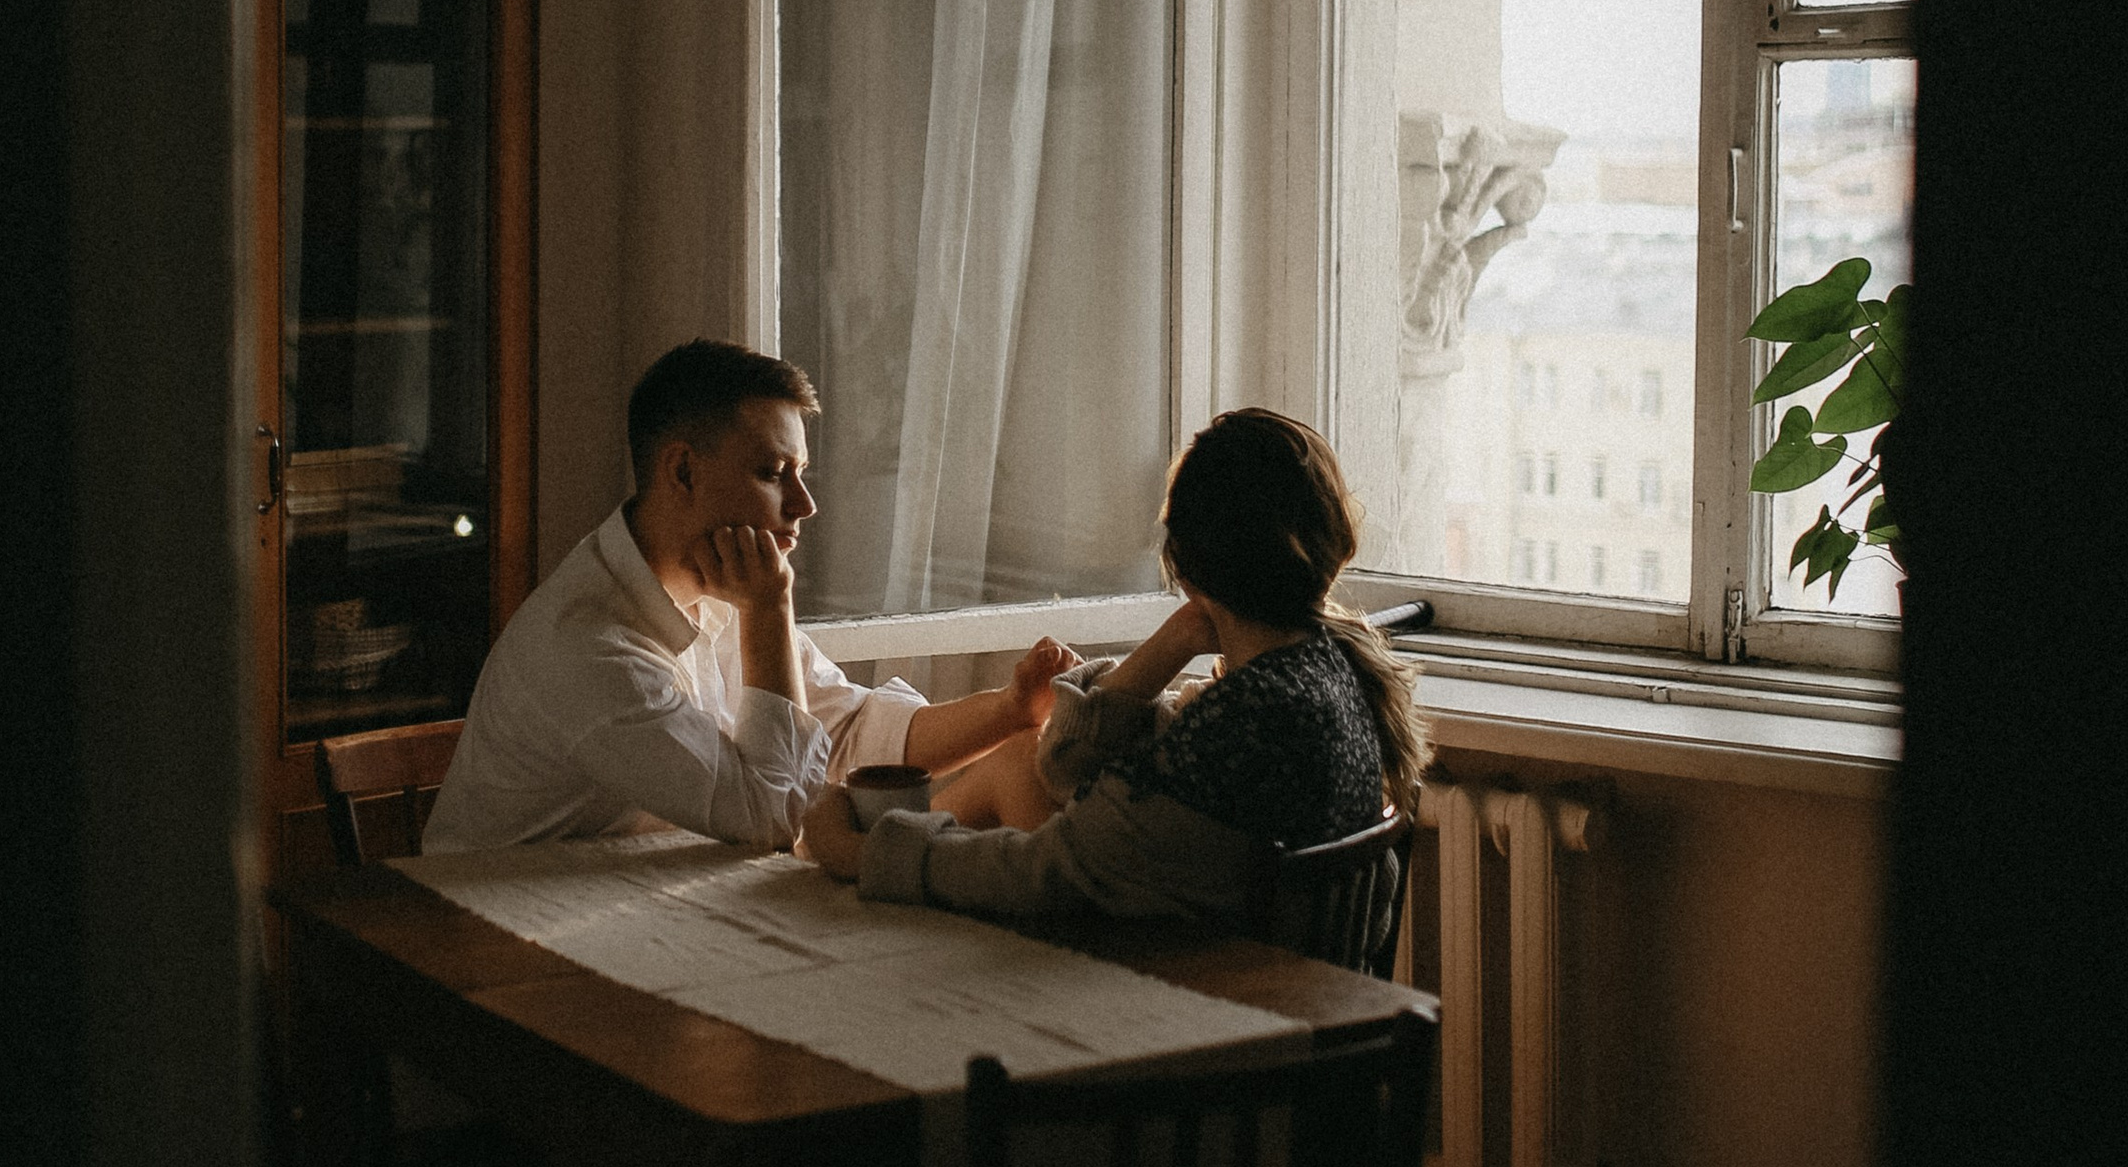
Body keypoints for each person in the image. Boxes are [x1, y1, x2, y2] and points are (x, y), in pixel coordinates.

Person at [424, 338, 1079, 854]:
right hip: (492, 938)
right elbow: (777, 815)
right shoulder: (590, 647)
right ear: (682, 470)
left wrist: (1013, 709)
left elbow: (845, 733)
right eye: (774, 474)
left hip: (633, 904)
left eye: (801, 475)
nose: (804, 505)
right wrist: (769, 611)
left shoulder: (716, 589)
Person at [799, 407, 1425, 925]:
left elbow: (1044, 873)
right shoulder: (1321, 674)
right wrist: (1175, 641)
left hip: (1195, 1005)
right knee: (1019, 761)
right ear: (1334, 542)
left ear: (1187, 564)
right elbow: (1065, 766)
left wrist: (860, 852)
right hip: (1260, 994)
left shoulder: (1243, 725)